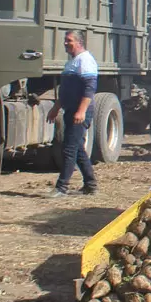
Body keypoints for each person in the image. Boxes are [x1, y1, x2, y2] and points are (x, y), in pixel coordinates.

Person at [47, 30, 99, 196]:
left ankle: (62, 187)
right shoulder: (72, 62)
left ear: (79, 42)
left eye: (69, 40)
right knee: (77, 149)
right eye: (65, 40)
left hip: (79, 111)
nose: (65, 43)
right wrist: (56, 108)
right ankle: (90, 185)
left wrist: (81, 111)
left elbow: (89, 89)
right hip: (70, 109)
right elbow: (66, 91)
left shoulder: (85, 61)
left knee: (69, 149)